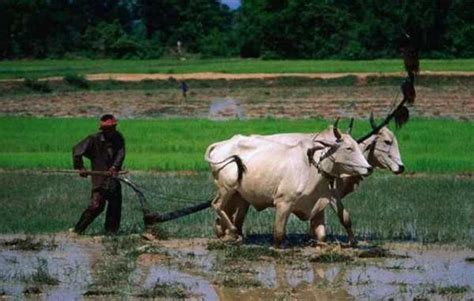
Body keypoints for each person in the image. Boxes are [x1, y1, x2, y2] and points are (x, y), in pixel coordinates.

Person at [71, 114, 126, 235]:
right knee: (96, 206)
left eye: (114, 127)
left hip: (113, 177)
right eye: (110, 128)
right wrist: (81, 167)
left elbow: (121, 153)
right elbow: (77, 150)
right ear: (104, 129)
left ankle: (111, 233)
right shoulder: (93, 139)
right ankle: (77, 230)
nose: (113, 130)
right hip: (99, 179)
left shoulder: (118, 138)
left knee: (115, 207)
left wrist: (115, 167)